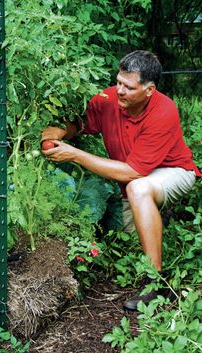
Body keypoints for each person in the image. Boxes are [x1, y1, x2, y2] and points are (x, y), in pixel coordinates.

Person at [41, 50, 201, 311]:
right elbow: (83, 123)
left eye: (129, 87)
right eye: (118, 82)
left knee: (138, 188)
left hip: (174, 171)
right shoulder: (108, 98)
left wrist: (75, 155)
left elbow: (131, 173)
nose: (120, 91)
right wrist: (63, 130)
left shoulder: (164, 110)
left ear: (149, 90)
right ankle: (160, 215)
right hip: (136, 176)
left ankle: (155, 283)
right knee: (124, 236)